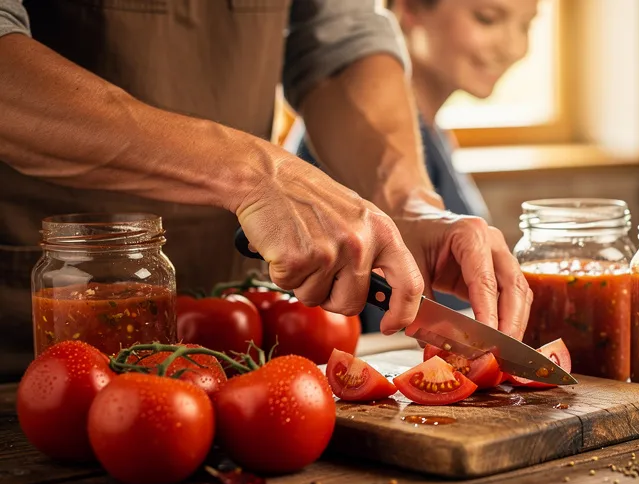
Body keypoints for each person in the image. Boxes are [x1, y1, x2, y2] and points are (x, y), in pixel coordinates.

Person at [0, 0, 532, 374]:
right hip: (38, 325)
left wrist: (408, 204)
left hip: (226, 336)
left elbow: (339, 43)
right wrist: (254, 173)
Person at [296, 0, 538, 332]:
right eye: (487, 19)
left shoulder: (436, 136)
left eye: (526, 25)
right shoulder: (343, 143)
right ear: (410, 7)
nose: (514, 47)